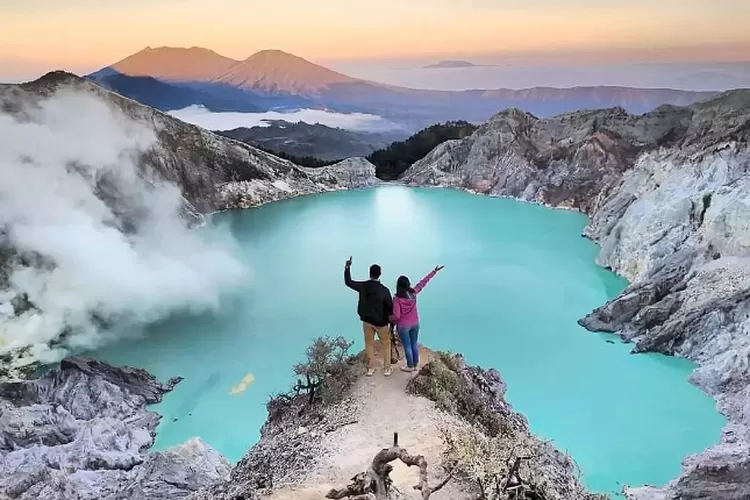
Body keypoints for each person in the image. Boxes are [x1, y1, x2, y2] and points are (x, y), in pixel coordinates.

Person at [344, 256, 394, 376]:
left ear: (370, 274)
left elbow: (348, 282)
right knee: (386, 344)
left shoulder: (363, 286)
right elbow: (390, 308)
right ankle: (387, 369)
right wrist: (391, 322)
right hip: (381, 323)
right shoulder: (384, 290)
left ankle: (370, 368)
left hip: (366, 320)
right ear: (380, 274)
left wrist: (347, 267)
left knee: (369, 343)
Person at [391, 265, 444, 372]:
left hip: (403, 326)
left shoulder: (397, 299)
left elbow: (396, 316)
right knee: (414, 343)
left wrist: (389, 318)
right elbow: (422, 283)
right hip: (415, 324)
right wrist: (434, 271)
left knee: (407, 346)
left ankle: (410, 366)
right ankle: (415, 364)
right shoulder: (413, 293)